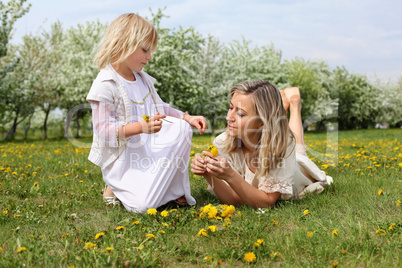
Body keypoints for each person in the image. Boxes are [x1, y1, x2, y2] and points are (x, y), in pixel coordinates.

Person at [86, 13, 207, 213]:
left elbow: (161, 108)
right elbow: (103, 130)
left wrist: (187, 117)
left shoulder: (143, 79)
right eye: (144, 50)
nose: (149, 57)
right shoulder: (106, 83)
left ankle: (173, 190)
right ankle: (114, 187)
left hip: (148, 150)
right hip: (125, 159)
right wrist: (140, 128)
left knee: (182, 128)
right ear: (123, 43)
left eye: (150, 51)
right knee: (143, 208)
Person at [191, 80, 333, 208]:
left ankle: (295, 106)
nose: (228, 117)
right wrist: (208, 174)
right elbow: (235, 200)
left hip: (294, 169)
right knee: (294, 146)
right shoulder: (223, 142)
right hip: (270, 137)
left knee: (298, 150)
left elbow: (266, 202)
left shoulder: (281, 146)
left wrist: (229, 175)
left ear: (262, 123)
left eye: (240, 114)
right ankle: (282, 107)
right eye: (230, 107)